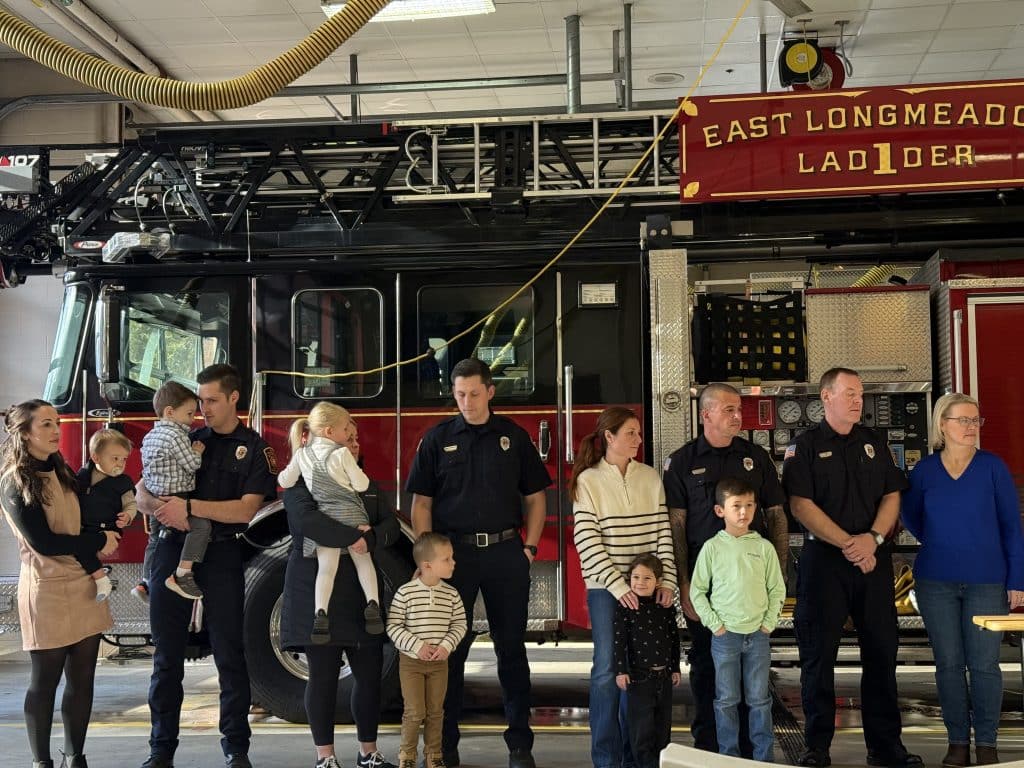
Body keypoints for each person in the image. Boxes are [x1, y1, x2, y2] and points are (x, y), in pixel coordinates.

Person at [406, 357, 551, 768]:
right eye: (459, 395)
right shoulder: (437, 440)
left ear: (490, 392)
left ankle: (520, 747)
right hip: (454, 558)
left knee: (511, 651)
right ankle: (444, 747)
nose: (466, 402)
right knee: (450, 652)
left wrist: (529, 548)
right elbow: (421, 505)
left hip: (506, 553)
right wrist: (428, 560)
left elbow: (536, 498)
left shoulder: (513, 437)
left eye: (473, 393)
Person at [136, 365, 277, 768]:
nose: (204, 409)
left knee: (229, 653)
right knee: (166, 657)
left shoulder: (254, 449)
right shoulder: (184, 437)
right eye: (200, 401)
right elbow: (141, 490)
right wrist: (160, 507)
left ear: (234, 398)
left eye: (212, 400)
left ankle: (236, 748)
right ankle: (160, 750)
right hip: (170, 549)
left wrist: (190, 507)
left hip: (221, 555)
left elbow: (247, 510)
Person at [782, 367, 921, 768]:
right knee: (818, 657)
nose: (858, 400)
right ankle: (816, 747)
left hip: (872, 560)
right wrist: (848, 542)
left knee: (882, 654)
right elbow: (800, 505)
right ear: (826, 397)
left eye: (860, 394)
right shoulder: (804, 446)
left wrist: (872, 539)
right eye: (849, 393)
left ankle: (886, 747)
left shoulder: (874, 442)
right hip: (825, 562)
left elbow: (892, 495)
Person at [662, 382, 788, 755]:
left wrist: (778, 577)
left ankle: (750, 751)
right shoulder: (681, 461)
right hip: (706, 584)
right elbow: (676, 525)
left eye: (739, 409)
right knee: (706, 667)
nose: (738, 416)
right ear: (706, 414)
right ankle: (710, 746)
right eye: (729, 409)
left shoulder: (756, 458)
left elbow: (776, 516)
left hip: (750, 583)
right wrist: (685, 584)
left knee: (752, 675)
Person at [901, 392, 1024, 767]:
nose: (972, 427)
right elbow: (911, 516)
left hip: (987, 582)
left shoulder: (992, 468)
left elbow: (1012, 527)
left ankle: (986, 744)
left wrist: (1017, 580)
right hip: (935, 582)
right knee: (949, 665)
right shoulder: (924, 472)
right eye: (963, 420)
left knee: (985, 665)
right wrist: (943, 540)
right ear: (942, 424)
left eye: (975, 420)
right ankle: (957, 742)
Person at [1, 399, 120, 768]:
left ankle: (74, 757)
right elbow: (45, 543)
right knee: (45, 682)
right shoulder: (15, 482)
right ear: (24, 433)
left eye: (57, 422)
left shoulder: (62, 470)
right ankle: (41, 762)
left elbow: (80, 521)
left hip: (83, 581)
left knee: (83, 680)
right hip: (47, 587)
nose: (56, 430)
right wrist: (98, 541)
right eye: (46, 424)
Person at [282, 422, 403, 768]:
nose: (354, 444)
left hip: (361, 598)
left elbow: (391, 526)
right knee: (322, 677)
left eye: (356, 439)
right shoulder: (301, 482)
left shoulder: (366, 487)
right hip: (315, 592)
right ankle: (326, 757)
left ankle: (369, 752)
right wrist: (356, 536)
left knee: (369, 675)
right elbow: (307, 523)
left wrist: (374, 537)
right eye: (346, 439)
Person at [571, 406, 678, 768]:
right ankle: (606, 758)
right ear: (609, 437)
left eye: (638, 433)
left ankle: (635, 758)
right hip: (607, 590)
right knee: (607, 670)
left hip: (648, 589)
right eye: (630, 433)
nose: (638, 439)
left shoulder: (650, 477)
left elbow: (663, 533)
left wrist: (666, 582)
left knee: (639, 674)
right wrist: (619, 587)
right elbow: (587, 540)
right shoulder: (588, 481)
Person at [690, 478, 786, 763]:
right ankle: (728, 757)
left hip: (758, 635)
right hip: (725, 637)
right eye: (736, 506)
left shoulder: (764, 548)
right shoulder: (712, 548)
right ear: (720, 510)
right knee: (726, 700)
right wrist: (715, 625)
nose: (744, 512)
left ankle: (763, 759)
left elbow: (777, 588)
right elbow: (697, 591)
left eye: (749, 505)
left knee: (759, 700)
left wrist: (768, 623)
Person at [277, 401, 384, 642]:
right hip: (351, 513)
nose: (349, 436)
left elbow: (284, 481)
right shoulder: (342, 454)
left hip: (327, 515)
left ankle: (320, 613)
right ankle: (373, 604)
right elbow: (362, 485)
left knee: (326, 569)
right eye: (346, 429)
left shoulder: (302, 454)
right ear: (329, 431)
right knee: (363, 562)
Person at [387, 532, 468, 768]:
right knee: (414, 712)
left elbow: (460, 624)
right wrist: (417, 646)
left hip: (439, 664)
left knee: (436, 712)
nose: (453, 563)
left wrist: (446, 646)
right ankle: (407, 756)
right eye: (447, 559)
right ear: (427, 565)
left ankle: (434, 756)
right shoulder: (406, 593)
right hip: (411, 663)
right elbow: (393, 626)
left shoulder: (451, 594)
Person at [613, 554, 681, 768]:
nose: (640, 583)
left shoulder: (665, 607)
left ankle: (660, 763)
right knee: (641, 730)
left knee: (662, 729)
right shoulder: (625, 608)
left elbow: (674, 639)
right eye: (635, 577)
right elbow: (619, 642)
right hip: (639, 678)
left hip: (664, 678)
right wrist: (621, 671)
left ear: (658, 581)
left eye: (647, 578)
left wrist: (675, 668)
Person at [141, 381, 206, 600]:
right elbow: (192, 464)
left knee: (154, 539)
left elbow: (146, 471)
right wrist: (197, 451)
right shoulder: (176, 436)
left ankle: (145, 581)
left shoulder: (149, 436)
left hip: (155, 496)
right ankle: (182, 574)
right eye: (189, 413)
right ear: (170, 412)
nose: (193, 419)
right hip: (176, 497)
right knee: (201, 527)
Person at [75, 428, 137, 602]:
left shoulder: (123, 482)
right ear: (96, 458)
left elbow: (131, 504)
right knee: (80, 549)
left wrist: (128, 516)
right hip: (86, 527)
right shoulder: (82, 477)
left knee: (84, 551)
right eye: (115, 458)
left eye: (124, 459)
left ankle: (102, 581)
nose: (120, 464)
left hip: (110, 528)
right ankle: (95, 576)